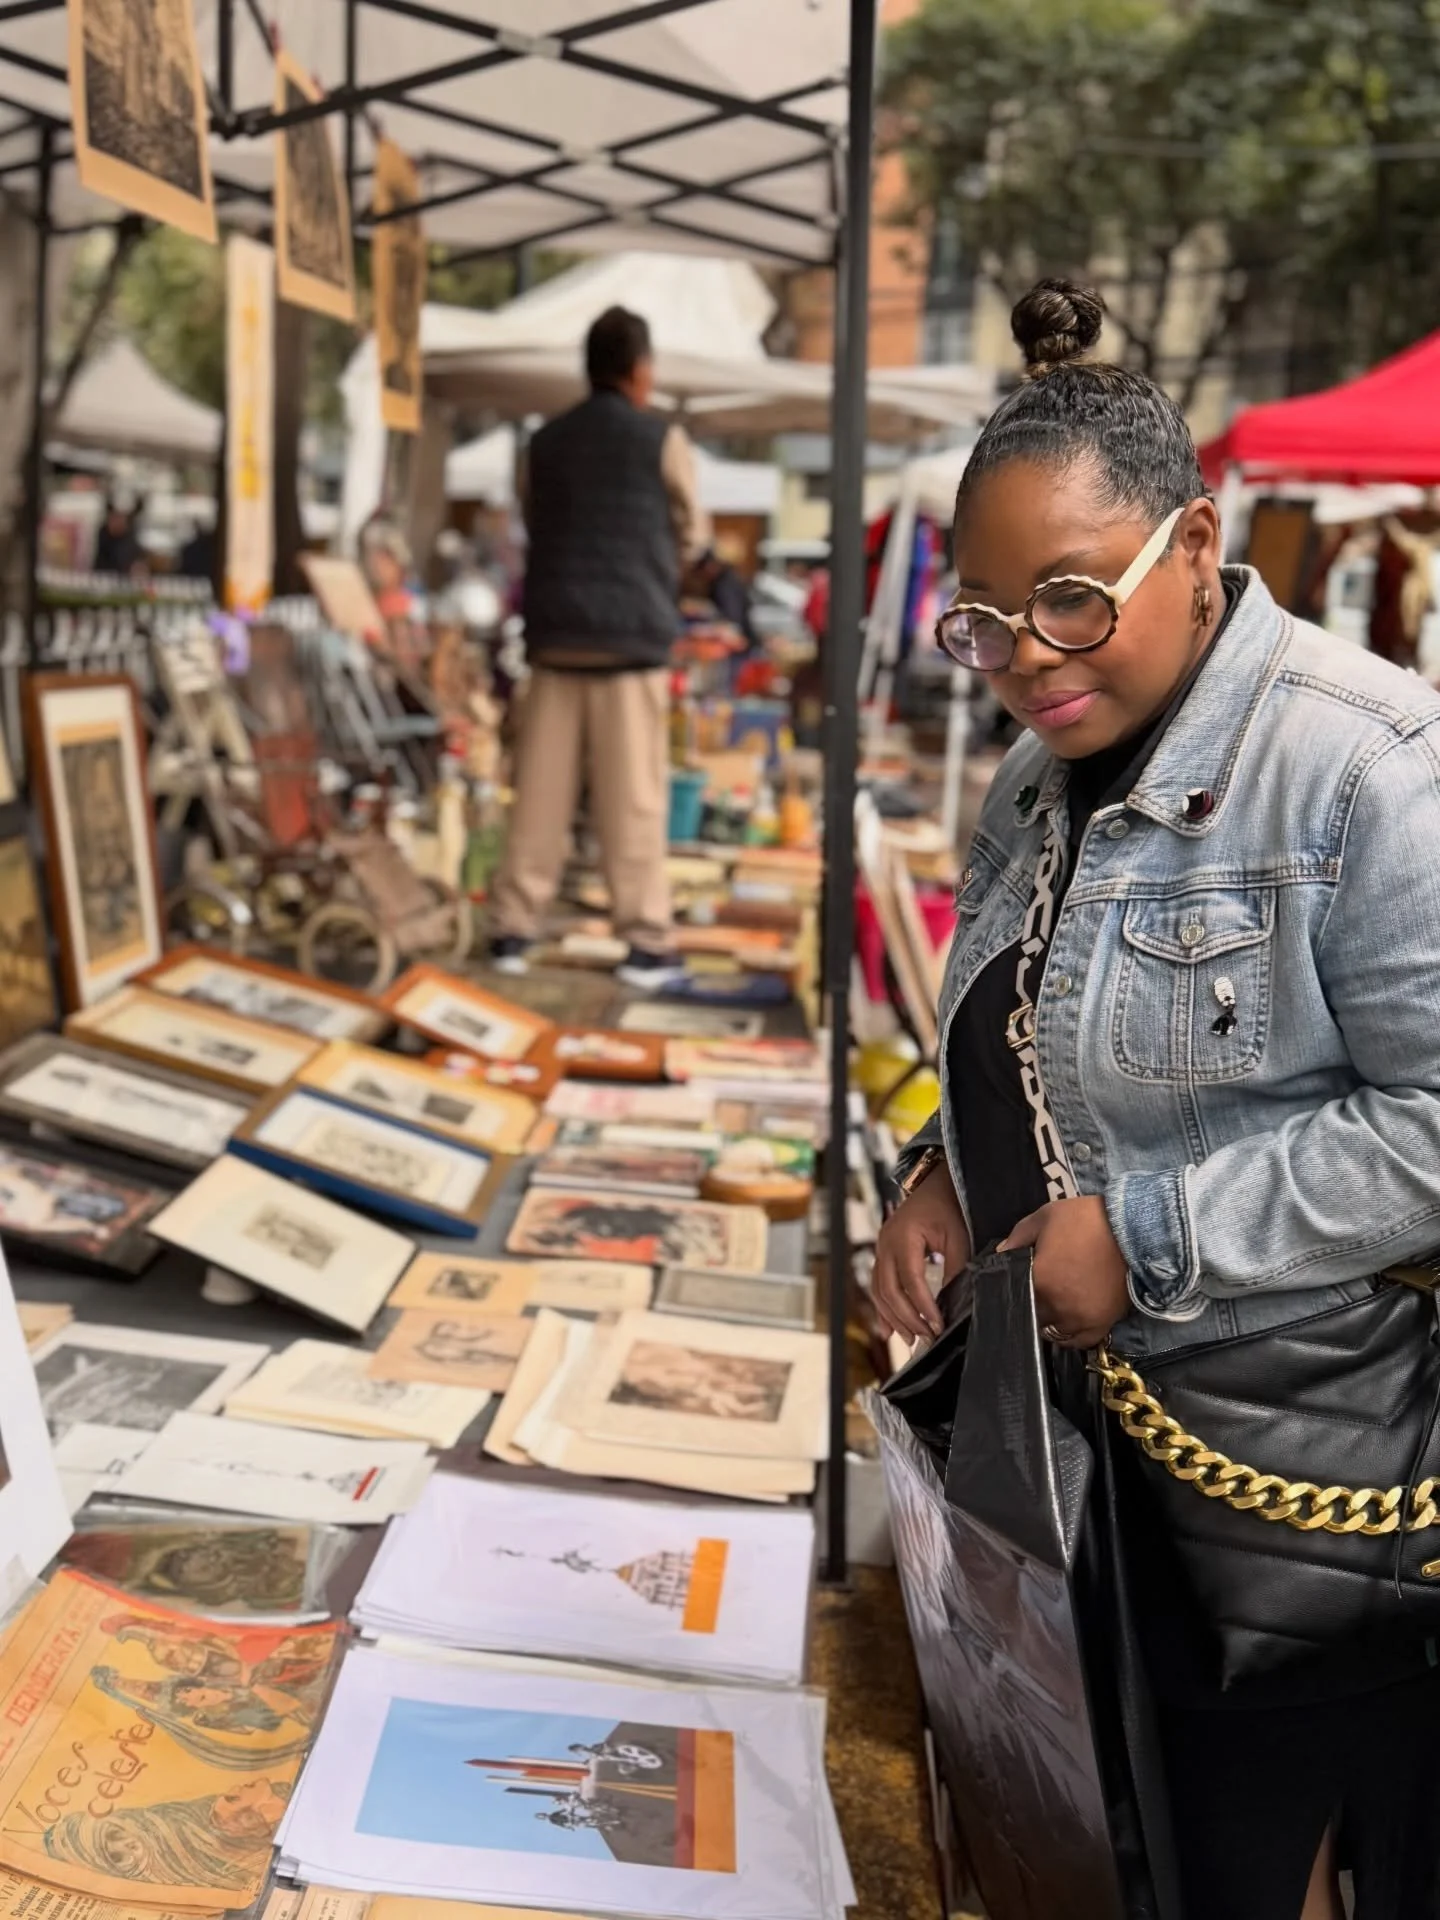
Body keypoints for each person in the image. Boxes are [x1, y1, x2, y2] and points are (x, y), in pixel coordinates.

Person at [873, 277, 1440, 1920]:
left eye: (1070, 600)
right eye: (983, 621)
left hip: (1307, 1520)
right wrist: (936, 1168)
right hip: (1086, 1486)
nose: (1025, 662)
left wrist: (1149, 1242)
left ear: (1195, 547)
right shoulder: (1032, 770)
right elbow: (1021, 1022)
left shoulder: (1370, 765)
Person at [488, 305, 706, 989]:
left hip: (555, 640)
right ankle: (644, 941)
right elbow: (692, 531)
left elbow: (533, 518)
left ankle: (511, 930)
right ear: (641, 370)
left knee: (540, 798)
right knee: (632, 801)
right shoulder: (660, 438)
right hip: (630, 642)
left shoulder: (543, 441)